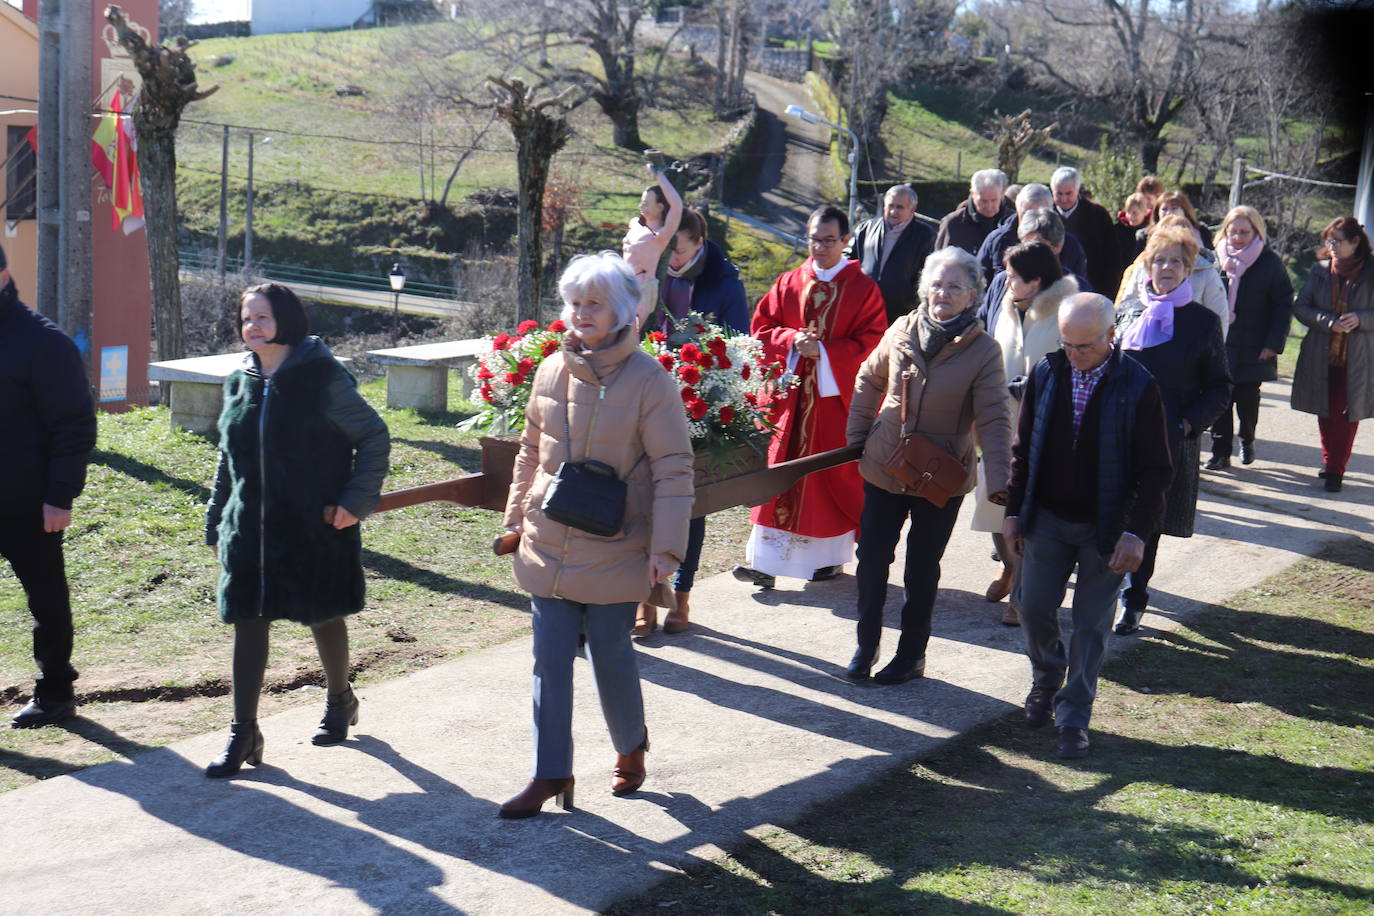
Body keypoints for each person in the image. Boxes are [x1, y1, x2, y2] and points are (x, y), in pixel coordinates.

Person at [499, 252, 693, 818]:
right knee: (549, 660)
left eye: (594, 304)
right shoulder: (550, 370)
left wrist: (667, 550)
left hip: (616, 544)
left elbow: (674, 469)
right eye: (575, 303)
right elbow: (530, 452)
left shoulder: (651, 382)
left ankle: (630, 745)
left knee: (611, 657)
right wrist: (514, 520)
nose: (581, 314)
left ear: (622, 311)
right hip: (547, 539)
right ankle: (550, 771)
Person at [204, 283, 390, 777]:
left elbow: (373, 435)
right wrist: (217, 514)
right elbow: (229, 456)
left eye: (263, 317)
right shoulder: (238, 380)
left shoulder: (322, 377)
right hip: (249, 528)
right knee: (248, 618)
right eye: (247, 318)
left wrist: (355, 502)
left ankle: (340, 699)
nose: (253, 326)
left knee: (322, 614)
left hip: (313, 526)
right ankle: (243, 731)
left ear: (285, 320)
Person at [1003, 293, 1172, 759]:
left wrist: (1136, 533)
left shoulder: (1138, 385)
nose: (1073, 357)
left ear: (1111, 335)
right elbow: (1023, 449)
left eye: (1084, 347)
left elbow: (1158, 469)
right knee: (1032, 605)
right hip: (1049, 519)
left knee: (1090, 625)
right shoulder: (1046, 372)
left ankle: (1074, 717)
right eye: (1067, 345)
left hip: (1108, 528)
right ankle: (1046, 677)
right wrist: (1014, 510)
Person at [845, 246, 1012, 683]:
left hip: (940, 477)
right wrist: (857, 439)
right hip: (885, 463)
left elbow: (994, 418)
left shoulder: (985, 352)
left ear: (973, 293)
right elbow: (869, 379)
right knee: (872, 557)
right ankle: (866, 644)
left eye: (954, 286)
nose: (943, 293)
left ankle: (911, 655)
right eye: (936, 284)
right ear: (924, 287)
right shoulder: (901, 329)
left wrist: (1001, 480)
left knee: (922, 568)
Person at [734, 206, 887, 589]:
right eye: (814, 239)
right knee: (777, 475)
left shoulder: (863, 289)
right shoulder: (789, 281)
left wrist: (827, 353)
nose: (819, 247)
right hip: (789, 401)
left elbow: (872, 342)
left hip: (832, 404)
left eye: (828, 240)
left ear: (846, 241)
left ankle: (826, 560)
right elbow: (763, 326)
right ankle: (764, 562)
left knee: (826, 476)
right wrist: (792, 341)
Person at [635, 209, 749, 636]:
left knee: (689, 506)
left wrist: (707, 387)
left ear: (699, 243)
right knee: (644, 499)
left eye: (679, 249)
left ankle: (681, 598)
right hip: (650, 393)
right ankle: (648, 597)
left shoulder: (724, 282)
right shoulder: (655, 271)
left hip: (699, 401)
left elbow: (739, 345)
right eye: (669, 249)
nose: (674, 257)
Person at [1113, 224, 1231, 635]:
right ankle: (1103, 592)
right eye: (1159, 259)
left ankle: (1134, 596)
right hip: (1115, 435)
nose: (1166, 267)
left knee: (1147, 522)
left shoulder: (1201, 323)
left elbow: (1220, 386)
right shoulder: (1129, 311)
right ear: (1147, 264)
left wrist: (1186, 423)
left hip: (1166, 438)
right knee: (1107, 512)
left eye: (1176, 262)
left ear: (1188, 270)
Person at [0, 243, 97, 728]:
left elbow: (75, 425)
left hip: (27, 503)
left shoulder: (43, 342)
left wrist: (60, 496)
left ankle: (55, 692)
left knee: (46, 600)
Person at [971, 241, 1078, 626]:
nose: (1006, 281)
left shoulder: (1067, 308)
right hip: (998, 423)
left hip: (1043, 430)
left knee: (1032, 514)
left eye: (1014, 277)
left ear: (1035, 281)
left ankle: (1025, 591)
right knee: (993, 503)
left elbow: (1069, 367)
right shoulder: (1004, 302)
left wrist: (1026, 386)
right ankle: (1011, 570)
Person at [1206, 206, 1293, 470]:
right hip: (1220, 342)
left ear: (1256, 231)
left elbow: (1283, 304)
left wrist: (1273, 344)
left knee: (1246, 399)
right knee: (1220, 398)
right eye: (1233, 232)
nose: (1238, 237)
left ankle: (1247, 438)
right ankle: (1220, 452)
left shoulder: (1269, 262)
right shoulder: (1214, 259)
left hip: (1255, 345)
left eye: (1244, 232)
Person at [1291, 216, 1374, 493]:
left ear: (1355, 242)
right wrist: (1329, 321)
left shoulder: (1371, 272)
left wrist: (1361, 319)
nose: (1332, 246)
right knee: (1326, 412)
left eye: (1338, 240)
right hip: (1322, 353)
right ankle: (1331, 464)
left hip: (1359, 357)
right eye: (1329, 240)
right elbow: (1301, 307)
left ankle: (1335, 469)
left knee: (1346, 413)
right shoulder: (1319, 271)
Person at [1117, 214, 1229, 328]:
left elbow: (1220, 317)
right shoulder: (1140, 269)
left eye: (1175, 260)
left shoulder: (1207, 271)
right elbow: (1125, 308)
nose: (1167, 267)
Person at [847, 185, 935, 325]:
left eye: (900, 207)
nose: (894, 211)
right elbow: (849, 260)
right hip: (864, 307)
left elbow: (928, 273)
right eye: (890, 206)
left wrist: (911, 301)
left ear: (912, 209)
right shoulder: (866, 228)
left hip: (900, 313)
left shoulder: (924, 235)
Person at [977, 183, 1089, 285]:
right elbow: (978, 281)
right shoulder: (997, 240)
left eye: (1040, 215)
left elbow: (1079, 285)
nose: (1032, 220)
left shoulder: (1069, 244)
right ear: (1017, 208)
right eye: (1026, 213)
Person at [622, 164, 684, 326]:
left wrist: (659, 175)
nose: (642, 206)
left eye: (647, 203)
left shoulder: (660, 235)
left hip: (642, 288)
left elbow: (677, 206)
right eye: (642, 202)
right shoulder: (634, 224)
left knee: (629, 331)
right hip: (621, 284)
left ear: (660, 207)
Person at [1052, 166, 1121, 303]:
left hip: (1091, 289)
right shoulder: (1046, 215)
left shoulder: (1098, 215)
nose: (1064, 199)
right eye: (1059, 194)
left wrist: (1107, 293)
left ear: (1077, 191)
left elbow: (1112, 258)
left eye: (1069, 193)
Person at [935, 168, 1014, 255]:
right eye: (983, 201)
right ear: (972, 194)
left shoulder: (1014, 222)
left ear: (1002, 195)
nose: (989, 206)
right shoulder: (952, 223)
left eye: (994, 200)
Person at [1115, 192, 1150, 272]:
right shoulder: (1118, 230)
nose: (1130, 216)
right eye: (1128, 212)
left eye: (1134, 213)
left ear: (1144, 212)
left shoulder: (1149, 232)